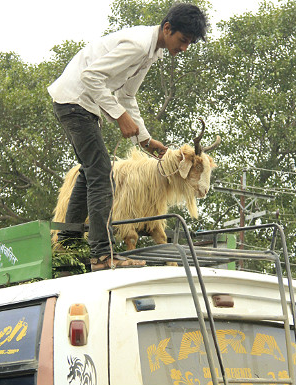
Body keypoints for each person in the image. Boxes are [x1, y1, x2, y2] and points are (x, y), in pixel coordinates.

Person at [48, 3, 208, 271]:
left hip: (81, 105)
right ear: (167, 29)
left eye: (189, 43)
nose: (183, 49)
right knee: (101, 174)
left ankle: (68, 244)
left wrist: (146, 141)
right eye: (182, 40)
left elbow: (127, 96)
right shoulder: (137, 45)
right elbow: (91, 76)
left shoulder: (151, 52)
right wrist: (119, 116)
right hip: (74, 103)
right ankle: (101, 255)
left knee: (90, 174)